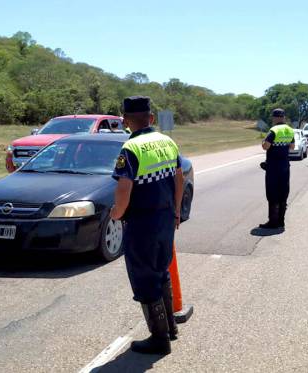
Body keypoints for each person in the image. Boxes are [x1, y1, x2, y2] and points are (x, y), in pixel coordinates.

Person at [110, 96, 184, 355]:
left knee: (144, 278)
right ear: (151, 118)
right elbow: (179, 179)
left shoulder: (131, 149)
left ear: (125, 121)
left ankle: (159, 338)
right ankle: (171, 328)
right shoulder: (167, 141)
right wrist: (176, 212)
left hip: (142, 223)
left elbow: (124, 187)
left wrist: (116, 214)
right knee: (161, 271)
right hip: (165, 219)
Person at [259, 108, 295, 229]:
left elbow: (266, 146)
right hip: (285, 167)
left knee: (272, 194)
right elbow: (292, 147)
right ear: (283, 117)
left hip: (273, 167)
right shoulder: (290, 130)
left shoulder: (273, 130)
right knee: (283, 193)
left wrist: (263, 141)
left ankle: (272, 222)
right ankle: (281, 221)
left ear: (274, 118)